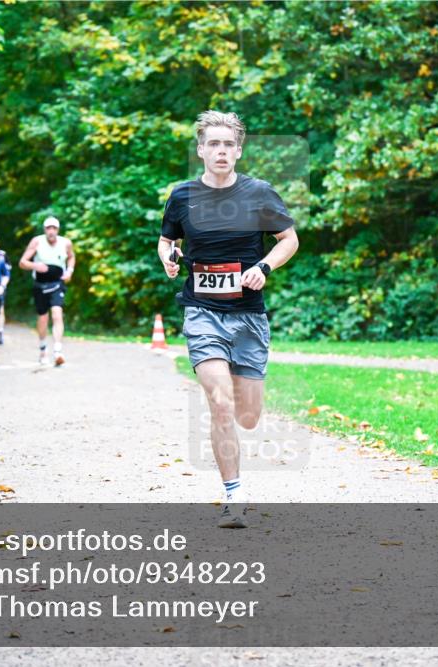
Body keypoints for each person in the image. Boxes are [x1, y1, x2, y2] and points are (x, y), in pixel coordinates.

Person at [158, 110, 299, 528]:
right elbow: (168, 240)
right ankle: (233, 496)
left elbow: (289, 239)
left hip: (248, 316)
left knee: (247, 415)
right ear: (201, 150)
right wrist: (169, 258)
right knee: (219, 403)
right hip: (202, 312)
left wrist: (265, 268)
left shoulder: (259, 193)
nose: (220, 151)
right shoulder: (182, 196)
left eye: (228, 144)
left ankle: (243, 426)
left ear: (238, 151)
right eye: (213, 144)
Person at [18, 216, 74, 366]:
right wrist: (36, 266)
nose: (51, 231)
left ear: (58, 229)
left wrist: (69, 271)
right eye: (48, 228)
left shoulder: (66, 243)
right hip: (40, 284)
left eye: (54, 228)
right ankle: (43, 349)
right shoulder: (37, 242)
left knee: (57, 313)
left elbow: (71, 257)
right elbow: (22, 262)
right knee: (43, 318)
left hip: (57, 283)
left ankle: (57, 351)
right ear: (44, 230)